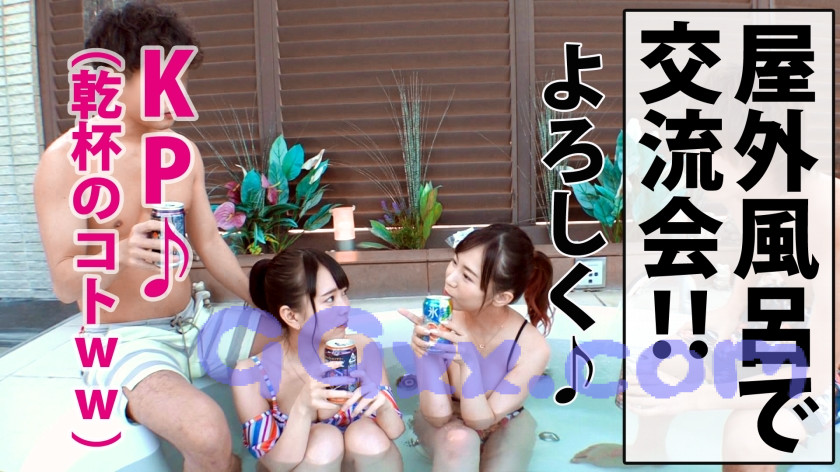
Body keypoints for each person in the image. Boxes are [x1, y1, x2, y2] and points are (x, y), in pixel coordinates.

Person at [33, 3, 267, 471]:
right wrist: (119, 253)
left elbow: (210, 244)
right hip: (123, 338)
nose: (180, 95)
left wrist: (266, 302)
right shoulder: (66, 162)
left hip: (194, 320)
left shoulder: (181, 152)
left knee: (315, 340)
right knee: (205, 433)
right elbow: (63, 284)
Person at [232, 249, 405, 472]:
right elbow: (273, 465)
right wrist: (302, 409)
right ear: (291, 316)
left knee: (366, 435)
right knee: (324, 439)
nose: (345, 306)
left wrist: (384, 407)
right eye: (330, 299)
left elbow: (395, 431)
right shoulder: (251, 374)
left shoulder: (362, 348)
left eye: (344, 293)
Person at [400, 223, 554, 471]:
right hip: (445, 423)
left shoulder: (532, 347)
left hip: (505, 421)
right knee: (460, 440)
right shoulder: (441, 321)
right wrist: (426, 353)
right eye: (454, 262)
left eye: (467, 276)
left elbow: (481, 421)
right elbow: (437, 415)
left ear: (501, 297)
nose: (450, 279)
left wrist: (469, 363)